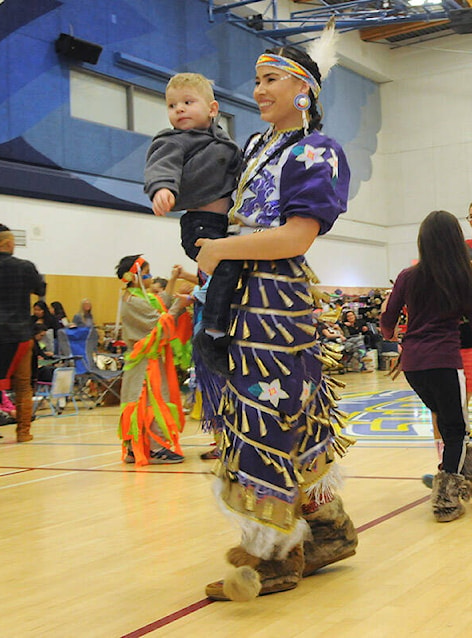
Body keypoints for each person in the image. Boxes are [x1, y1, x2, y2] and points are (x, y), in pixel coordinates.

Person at [192, 41, 358, 602]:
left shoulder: (317, 152)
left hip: (273, 301)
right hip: (241, 296)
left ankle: (274, 556)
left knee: (265, 419)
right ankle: (329, 531)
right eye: (256, 79)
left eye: (271, 79)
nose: (258, 89)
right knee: (299, 416)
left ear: (304, 89)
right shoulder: (260, 145)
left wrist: (222, 250)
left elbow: (296, 236)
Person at [381, 210, 472, 521]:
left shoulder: (408, 276)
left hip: (413, 367)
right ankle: (447, 497)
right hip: (446, 362)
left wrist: (389, 334)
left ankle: (469, 475)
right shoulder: (460, 276)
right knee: (456, 429)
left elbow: (388, 318)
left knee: (447, 421)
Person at [144, 72, 244, 377]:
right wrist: (163, 188)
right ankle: (212, 329)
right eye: (173, 105)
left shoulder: (226, 144)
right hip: (200, 224)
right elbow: (163, 164)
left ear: (212, 109)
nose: (180, 109)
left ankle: (231, 324)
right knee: (227, 268)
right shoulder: (172, 140)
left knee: (239, 270)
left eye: (188, 102)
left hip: (225, 224)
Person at [116, 256, 190, 466]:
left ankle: (135, 447)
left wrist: (173, 280)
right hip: (144, 363)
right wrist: (180, 304)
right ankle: (155, 448)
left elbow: (160, 304)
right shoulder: (133, 301)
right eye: (146, 273)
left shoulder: (142, 297)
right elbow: (160, 323)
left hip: (146, 361)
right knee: (150, 401)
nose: (149, 277)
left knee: (141, 400)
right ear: (135, 276)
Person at [0, 224, 46, 443]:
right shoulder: (24, 267)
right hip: (20, 333)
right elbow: (41, 290)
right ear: (8, 243)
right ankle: (23, 432)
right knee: (24, 385)